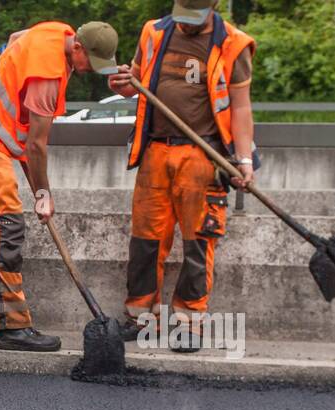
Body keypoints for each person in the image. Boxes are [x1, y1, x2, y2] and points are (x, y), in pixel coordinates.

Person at [0, 21, 120, 352]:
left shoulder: (56, 30)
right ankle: (12, 327)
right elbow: (36, 145)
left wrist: (39, 189)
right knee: (5, 230)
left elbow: (15, 38)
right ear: (78, 49)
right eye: (90, 63)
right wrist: (43, 194)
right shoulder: (47, 75)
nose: (88, 72)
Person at [108, 1, 256, 350]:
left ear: (213, 8)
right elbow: (138, 84)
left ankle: (190, 322)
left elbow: (241, 106)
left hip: (203, 155)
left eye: (194, 18)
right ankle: (141, 317)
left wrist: (244, 159)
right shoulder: (154, 32)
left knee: (197, 241)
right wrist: (122, 85)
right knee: (146, 239)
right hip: (155, 151)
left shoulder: (234, 44)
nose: (186, 25)